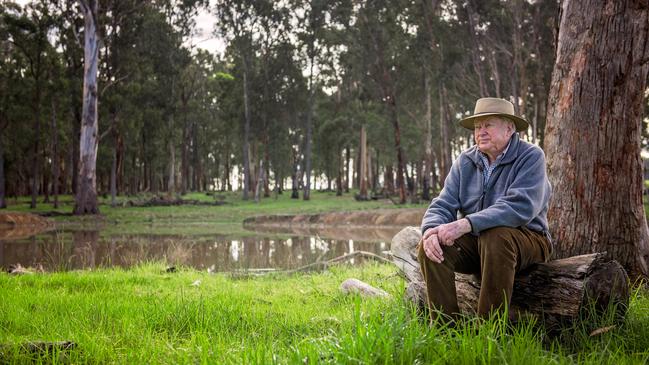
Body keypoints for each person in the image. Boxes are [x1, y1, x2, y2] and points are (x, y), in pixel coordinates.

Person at [418, 97, 552, 322]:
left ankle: (489, 331)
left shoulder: (531, 156)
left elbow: (520, 206)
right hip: (482, 244)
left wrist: (466, 224)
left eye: (488, 125)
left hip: (529, 240)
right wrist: (430, 230)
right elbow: (443, 203)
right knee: (430, 247)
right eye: (477, 127)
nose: (481, 132)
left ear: (509, 128)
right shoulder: (466, 160)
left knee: (495, 234)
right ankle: (446, 330)